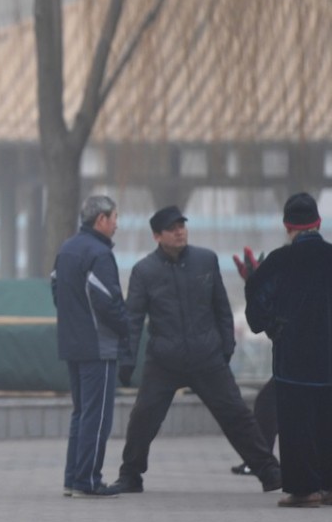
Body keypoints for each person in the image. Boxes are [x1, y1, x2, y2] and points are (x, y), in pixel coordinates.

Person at [110, 206, 282, 494]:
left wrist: (226, 347)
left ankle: (269, 472)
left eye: (182, 226)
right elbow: (133, 319)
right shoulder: (144, 271)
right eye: (172, 228)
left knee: (237, 416)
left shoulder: (206, 260)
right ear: (157, 236)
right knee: (143, 418)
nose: (180, 231)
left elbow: (222, 309)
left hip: (207, 357)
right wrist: (126, 363)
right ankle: (130, 475)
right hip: (164, 360)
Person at [245, 193, 332, 507]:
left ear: (286, 225)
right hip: (330, 356)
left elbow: (255, 293)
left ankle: (305, 490)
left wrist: (268, 325)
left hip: (293, 355)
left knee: (296, 423)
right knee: (329, 420)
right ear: (318, 223)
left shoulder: (280, 260)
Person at [229, 249, 332, 476]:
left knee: (275, 402)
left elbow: (271, 310)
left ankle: (264, 462)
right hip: (314, 352)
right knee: (320, 404)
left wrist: (256, 283)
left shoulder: (311, 275)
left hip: (307, 354)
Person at [52, 194, 131, 498]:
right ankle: (88, 480)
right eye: (114, 218)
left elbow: (56, 290)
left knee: (81, 413)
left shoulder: (67, 248)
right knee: (97, 416)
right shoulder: (99, 254)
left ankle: (72, 479)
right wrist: (126, 329)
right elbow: (108, 302)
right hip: (98, 346)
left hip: (72, 342)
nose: (116, 225)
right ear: (101, 220)